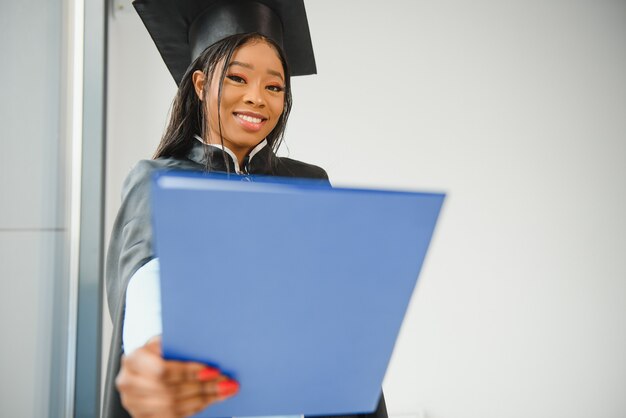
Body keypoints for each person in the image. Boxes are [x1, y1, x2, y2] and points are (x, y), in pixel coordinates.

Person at [103, 1, 389, 417]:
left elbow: (333, 314)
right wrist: (157, 357)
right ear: (200, 85)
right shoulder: (159, 182)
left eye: (274, 87)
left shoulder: (308, 184)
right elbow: (146, 293)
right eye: (238, 78)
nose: (257, 98)